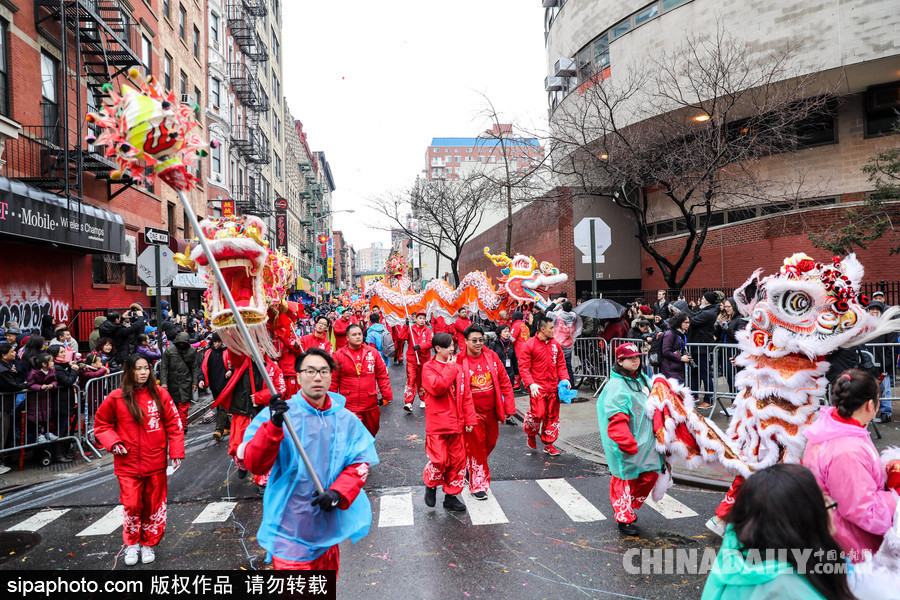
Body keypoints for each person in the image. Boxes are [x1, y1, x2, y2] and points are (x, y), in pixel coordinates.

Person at [238, 348, 379, 572]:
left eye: (323, 371)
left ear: (332, 376)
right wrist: (273, 428)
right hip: (289, 528)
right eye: (310, 371)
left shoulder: (346, 419)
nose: (317, 377)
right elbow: (255, 464)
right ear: (298, 375)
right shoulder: (278, 415)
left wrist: (338, 492)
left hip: (327, 529)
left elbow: (359, 462)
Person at [701, 464, 854, 600]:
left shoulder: (736, 553)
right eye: (823, 501)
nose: (831, 505)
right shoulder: (789, 590)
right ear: (805, 519)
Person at [93, 355, 184, 567]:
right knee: (132, 505)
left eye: (146, 368)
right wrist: (114, 442)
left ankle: (148, 543)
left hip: (156, 461)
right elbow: (101, 424)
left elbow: (174, 424)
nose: (143, 372)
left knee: (153, 505)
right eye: (138, 369)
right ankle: (132, 544)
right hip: (127, 463)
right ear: (128, 372)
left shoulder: (160, 394)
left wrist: (176, 451)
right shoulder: (116, 397)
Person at [802, 369, 900, 560]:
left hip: (834, 535)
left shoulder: (833, 430)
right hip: (850, 545)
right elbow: (864, 511)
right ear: (870, 405)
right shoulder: (847, 449)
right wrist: (895, 494)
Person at [597, 343, 663, 536]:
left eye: (638, 357)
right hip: (627, 445)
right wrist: (626, 442)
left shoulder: (642, 378)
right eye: (631, 358)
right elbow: (616, 417)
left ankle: (629, 507)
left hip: (647, 442)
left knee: (650, 475)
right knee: (625, 480)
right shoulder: (616, 386)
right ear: (620, 361)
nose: (636, 360)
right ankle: (623, 517)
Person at [459, 325, 514, 499]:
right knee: (477, 448)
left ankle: (471, 468)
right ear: (466, 341)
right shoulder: (459, 360)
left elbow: (504, 381)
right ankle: (478, 486)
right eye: (474, 340)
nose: (478, 344)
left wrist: (509, 408)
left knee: (490, 443)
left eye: (481, 340)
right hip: (471, 414)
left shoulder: (491, 356)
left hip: (491, 411)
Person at [421, 333, 475, 512]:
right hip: (437, 424)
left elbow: (466, 395)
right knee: (439, 459)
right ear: (437, 348)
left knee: (457, 462)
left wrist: (469, 418)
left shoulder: (460, 368)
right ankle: (431, 485)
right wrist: (450, 369)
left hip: (457, 423)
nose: (453, 349)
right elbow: (437, 388)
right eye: (448, 346)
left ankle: (450, 497)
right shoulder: (428, 368)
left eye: (453, 345)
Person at [519, 314, 571, 456]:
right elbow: (523, 367)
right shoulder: (529, 345)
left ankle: (549, 444)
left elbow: (561, 364)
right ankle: (531, 433)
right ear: (542, 329)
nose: (554, 330)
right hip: (537, 389)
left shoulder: (556, 345)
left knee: (552, 416)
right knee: (538, 414)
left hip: (553, 388)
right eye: (551, 328)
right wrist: (530, 384)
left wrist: (565, 379)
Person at [330, 323, 393, 437]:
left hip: (370, 403)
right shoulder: (339, 355)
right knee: (352, 436)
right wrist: (331, 401)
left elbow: (382, 375)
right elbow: (333, 380)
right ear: (347, 338)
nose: (358, 336)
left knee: (370, 434)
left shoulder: (372, 353)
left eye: (359, 334)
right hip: (349, 405)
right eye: (354, 334)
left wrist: (386, 396)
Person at [160, 332, 199, 431]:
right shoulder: (170, 351)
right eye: (180, 343)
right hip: (172, 381)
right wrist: (163, 382)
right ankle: (176, 424)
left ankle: (183, 425)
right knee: (174, 405)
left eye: (183, 343)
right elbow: (164, 367)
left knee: (184, 404)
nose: (181, 345)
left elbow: (195, 367)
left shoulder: (192, 351)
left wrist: (195, 382)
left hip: (186, 381)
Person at [47, 345, 78, 463]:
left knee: (64, 426)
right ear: (55, 355)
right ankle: (58, 454)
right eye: (61, 352)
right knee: (61, 427)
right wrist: (74, 370)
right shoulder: (57, 368)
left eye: (64, 351)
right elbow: (68, 381)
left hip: (65, 401)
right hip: (60, 402)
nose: (64, 354)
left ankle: (63, 452)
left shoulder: (63, 365)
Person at [398, 310, 434, 411]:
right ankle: (408, 402)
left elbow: (431, 342)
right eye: (420, 318)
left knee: (423, 380)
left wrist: (420, 346)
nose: (422, 320)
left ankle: (423, 400)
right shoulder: (410, 328)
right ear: (416, 319)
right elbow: (401, 337)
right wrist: (405, 326)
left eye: (423, 318)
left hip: (424, 360)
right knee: (411, 379)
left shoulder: (428, 330)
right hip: (412, 359)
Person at [865, 301, 894, 423]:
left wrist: (887, 362)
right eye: (873, 309)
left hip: (882, 367)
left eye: (878, 309)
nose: (875, 311)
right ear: (869, 311)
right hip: (868, 366)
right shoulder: (864, 326)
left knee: (884, 388)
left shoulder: (886, 325)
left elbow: (891, 346)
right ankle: (867, 412)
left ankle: (886, 413)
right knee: (868, 390)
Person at [688, 292, 719, 405]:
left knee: (704, 374)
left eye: (702, 299)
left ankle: (708, 399)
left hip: (702, 347)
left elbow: (692, 320)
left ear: (706, 301)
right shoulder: (706, 311)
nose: (700, 300)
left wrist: (682, 310)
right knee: (695, 372)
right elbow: (695, 314)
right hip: (697, 346)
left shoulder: (708, 313)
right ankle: (694, 395)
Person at [200, 333, 232, 442]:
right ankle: (227, 425)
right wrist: (201, 379)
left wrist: (231, 371)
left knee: (222, 406)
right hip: (214, 385)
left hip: (225, 384)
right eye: (215, 342)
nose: (217, 344)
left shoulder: (228, 351)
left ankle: (218, 429)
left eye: (219, 341)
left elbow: (235, 365)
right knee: (219, 407)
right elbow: (203, 368)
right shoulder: (209, 353)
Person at [26, 352, 58, 447]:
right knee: (37, 417)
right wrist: (40, 387)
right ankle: (39, 434)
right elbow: (30, 384)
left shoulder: (52, 371)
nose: (53, 363)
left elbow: (55, 380)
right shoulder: (34, 373)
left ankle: (47, 432)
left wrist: (52, 385)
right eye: (51, 361)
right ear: (44, 364)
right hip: (35, 399)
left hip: (47, 398)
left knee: (46, 415)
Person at [548, 300, 582, 384]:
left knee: (558, 367)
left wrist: (555, 303)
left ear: (562, 308)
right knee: (568, 366)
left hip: (558, 345)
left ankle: (561, 386)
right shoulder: (575, 317)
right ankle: (571, 385)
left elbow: (547, 312)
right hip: (569, 345)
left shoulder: (558, 316)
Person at [490, 324, 518, 410]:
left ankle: (509, 414)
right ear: (500, 333)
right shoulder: (494, 344)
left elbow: (513, 359)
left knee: (509, 395)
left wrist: (516, 372)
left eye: (508, 331)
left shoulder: (511, 344)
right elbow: (489, 359)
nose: (507, 333)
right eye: (505, 331)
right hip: (497, 373)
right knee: (497, 395)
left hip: (509, 373)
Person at [660, 312, 692, 385]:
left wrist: (686, 356)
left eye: (688, 322)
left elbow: (682, 348)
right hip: (669, 369)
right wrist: (681, 358)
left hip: (678, 368)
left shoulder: (682, 334)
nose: (688, 325)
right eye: (686, 322)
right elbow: (665, 351)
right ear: (679, 322)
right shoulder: (670, 334)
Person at [510, 311, 531, 389]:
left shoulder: (516, 325)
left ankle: (516, 385)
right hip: (526, 350)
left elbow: (512, 339)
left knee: (517, 368)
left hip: (518, 351)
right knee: (524, 368)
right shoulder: (525, 326)